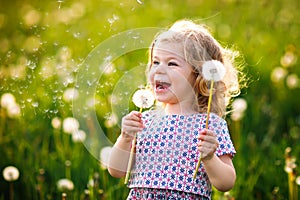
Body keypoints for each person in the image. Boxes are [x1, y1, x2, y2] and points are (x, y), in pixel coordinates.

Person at [108, 19, 243, 200]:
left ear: (200, 74)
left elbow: (226, 183)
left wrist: (210, 158)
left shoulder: (210, 125)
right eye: (155, 62)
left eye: (172, 63)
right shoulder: (144, 121)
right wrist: (125, 138)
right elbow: (116, 170)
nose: (159, 70)